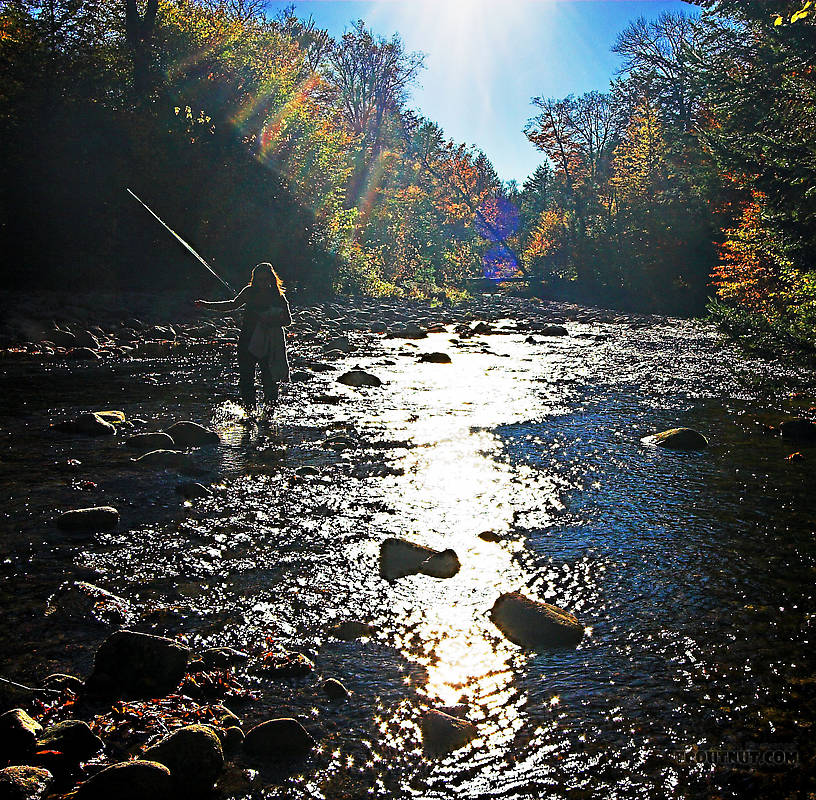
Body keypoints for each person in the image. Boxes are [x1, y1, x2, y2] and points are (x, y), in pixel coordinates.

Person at [195, 262, 291, 414]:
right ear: (254, 280)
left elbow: (288, 321)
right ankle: (250, 413)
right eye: (260, 280)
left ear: (272, 279)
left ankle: (269, 416)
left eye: (266, 279)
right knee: (246, 380)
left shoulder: (278, 297)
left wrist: (270, 321)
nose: (263, 283)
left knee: (270, 381)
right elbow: (231, 305)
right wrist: (207, 305)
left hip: (269, 344)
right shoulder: (248, 292)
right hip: (247, 341)